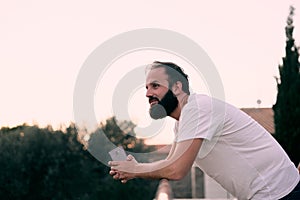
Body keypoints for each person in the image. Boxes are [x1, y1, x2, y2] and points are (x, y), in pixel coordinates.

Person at [109, 61, 300, 199]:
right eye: (147, 87)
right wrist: (135, 166)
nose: (148, 93)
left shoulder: (197, 109)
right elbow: (170, 163)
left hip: (281, 194)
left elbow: (176, 170)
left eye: (155, 86)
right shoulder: (183, 120)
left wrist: (136, 170)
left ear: (177, 87)